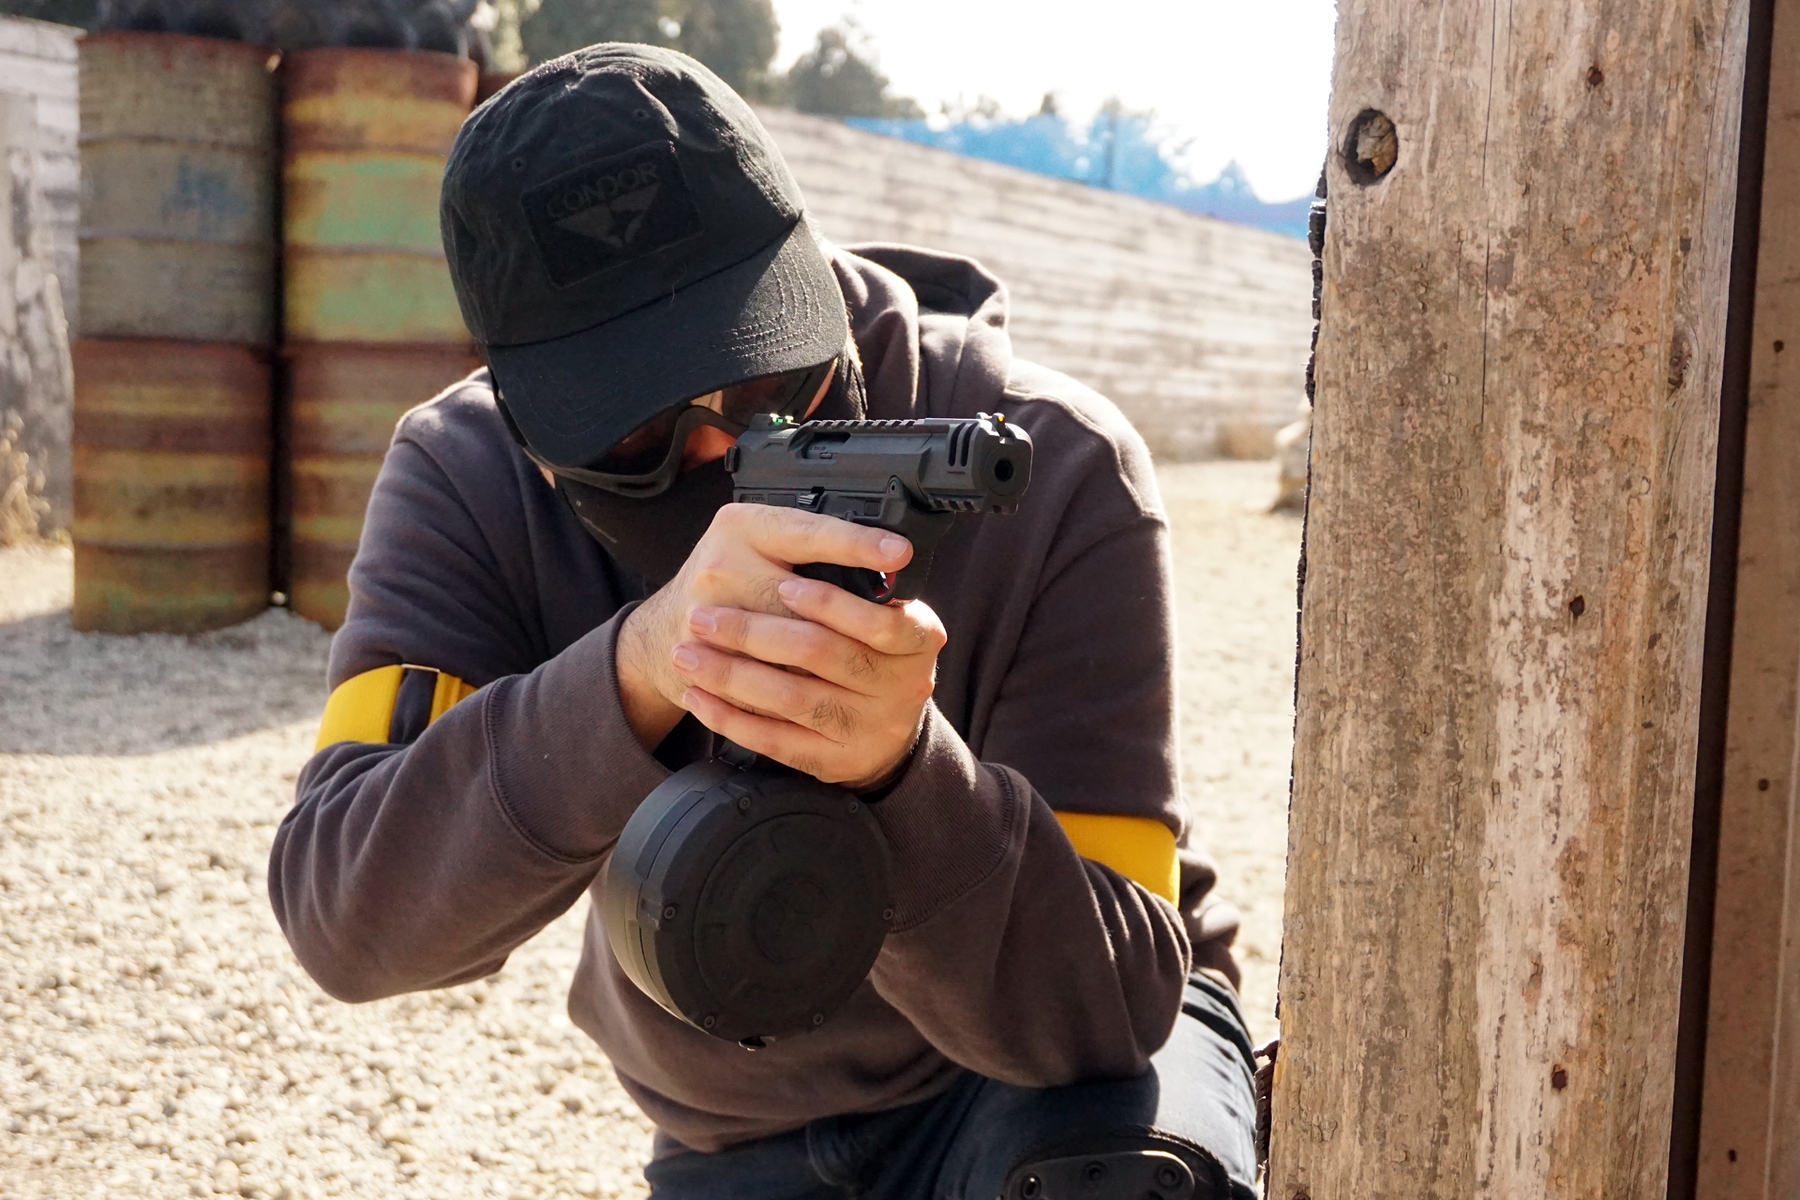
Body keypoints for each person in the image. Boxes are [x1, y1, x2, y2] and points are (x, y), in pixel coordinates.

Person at [268, 43, 1258, 1200]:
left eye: (767, 384)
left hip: (1058, 1084)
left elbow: (1100, 1012)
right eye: (632, 439)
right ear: (532, 431)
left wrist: (903, 773)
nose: (727, 455)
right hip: (735, 1127)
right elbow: (350, 921)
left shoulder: (1048, 460)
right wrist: (638, 674)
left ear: (813, 284)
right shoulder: (468, 478)